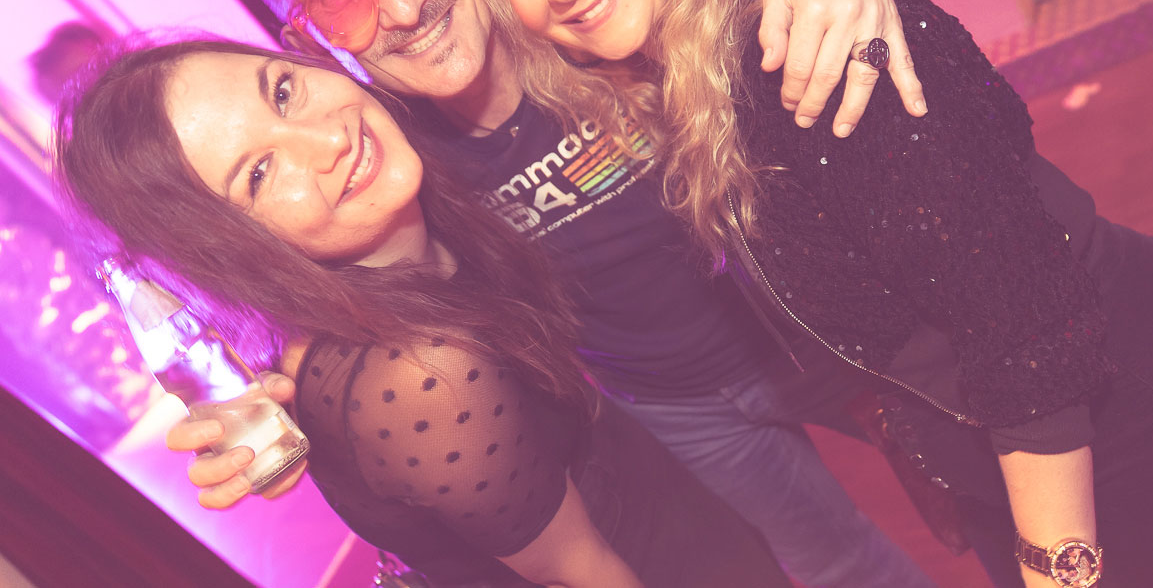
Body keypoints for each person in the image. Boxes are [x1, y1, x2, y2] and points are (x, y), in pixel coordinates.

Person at [426, 0, 1153, 588]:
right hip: (1019, 456)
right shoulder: (686, 71)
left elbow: (1026, 330)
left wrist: (1054, 568)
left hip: (1145, 420)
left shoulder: (796, 46)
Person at [166, 0, 939, 586]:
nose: (401, 8)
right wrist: (276, 386)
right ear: (310, 41)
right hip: (681, 404)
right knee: (838, 559)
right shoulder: (381, 157)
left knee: (980, 465)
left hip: (822, 315)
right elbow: (334, 284)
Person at [57, 37, 795, 588]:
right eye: (258, 173)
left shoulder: (407, 202)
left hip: (649, 496)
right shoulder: (423, 374)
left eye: (282, 92)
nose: (327, 138)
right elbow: (582, 570)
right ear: (229, 251)